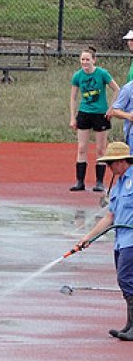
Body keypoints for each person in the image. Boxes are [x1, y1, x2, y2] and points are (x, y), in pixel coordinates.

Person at [76, 142, 133, 341]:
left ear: (121, 161)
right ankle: (130, 324)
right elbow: (110, 216)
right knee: (125, 280)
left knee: (126, 279)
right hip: (121, 240)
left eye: (111, 163)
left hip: (131, 241)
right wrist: (87, 238)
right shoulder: (118, 185)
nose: (109, 168)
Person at [69, 46, 119, 192]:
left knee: (100, 149)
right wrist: (73, 117)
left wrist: (111, 108)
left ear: (94, 60)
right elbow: (73, 98)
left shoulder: (102, 73)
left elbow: (117, 89)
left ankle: (99, 182)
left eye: (87, 60)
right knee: (81, 147)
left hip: (100, 114)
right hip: (84, 113)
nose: (85, 62)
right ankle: (80, 182)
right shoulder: (78, 76)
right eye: (82, 59)